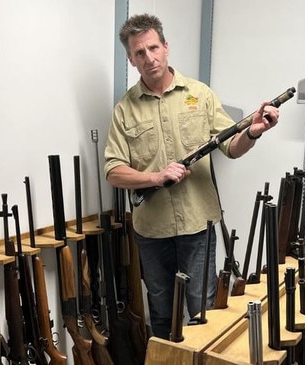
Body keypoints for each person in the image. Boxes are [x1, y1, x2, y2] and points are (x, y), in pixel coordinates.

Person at [104, 13, 281, 340]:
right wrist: (156, 177)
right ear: (131, 59)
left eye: (153, 48)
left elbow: (231, 146)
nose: (149, 58)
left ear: (166, 47)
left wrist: (253, 133)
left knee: (204, 313)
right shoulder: (124, 109)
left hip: (197, 225)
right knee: (161, 314)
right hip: (152, 231)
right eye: (140, 53)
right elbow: (114, 171)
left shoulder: (199, 94)